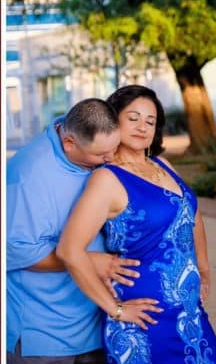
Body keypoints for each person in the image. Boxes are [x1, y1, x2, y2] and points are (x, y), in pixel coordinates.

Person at [57, 85, 216, 363]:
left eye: (150, 121)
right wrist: (117, 310)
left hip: (189, 312)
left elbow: (192, 215)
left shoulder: (163, 164)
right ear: (114, 120)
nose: (142, 127)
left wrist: (204, 267)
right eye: (133, 118)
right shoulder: (107, 179)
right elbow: (68, 250)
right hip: (144, 319)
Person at [6, 98, 147, 363]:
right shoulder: (26, 176)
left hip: (95, 322)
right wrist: (91, 260)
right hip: (44, 335)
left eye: (113, 148)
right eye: (101, 155)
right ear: (69, 143)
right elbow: (14, 251)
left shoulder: (95, 154)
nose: (110, 159)